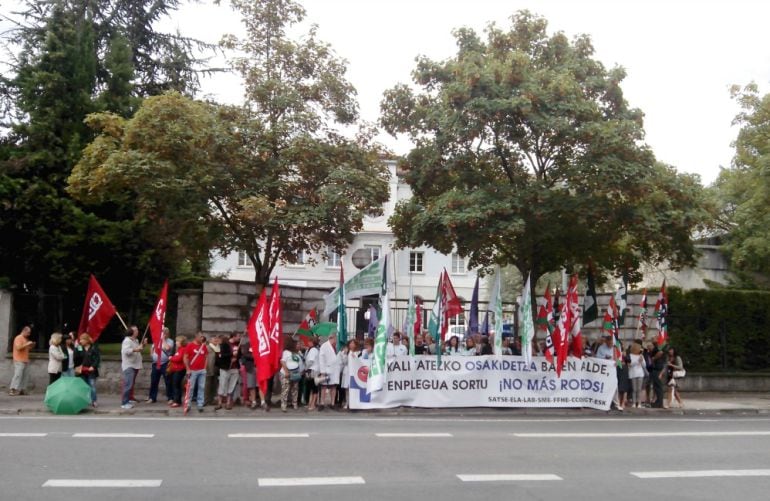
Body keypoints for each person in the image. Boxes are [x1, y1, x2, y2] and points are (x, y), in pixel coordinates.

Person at [146, 327, 175, 404]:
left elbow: (168, 348)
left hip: (165, 363)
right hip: (155, 364)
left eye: (164, 333)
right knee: (154, 381)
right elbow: (152, 348)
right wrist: (152, 355)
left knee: (168, 381)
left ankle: (170, 398)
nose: (162, 334)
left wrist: (163, 340)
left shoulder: (170, 341)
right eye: (162, 332)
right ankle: (152, 397)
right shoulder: (156, 340)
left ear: (167, 334)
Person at [120, 325, 146, 409]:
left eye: (137, 330)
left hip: (135, 364)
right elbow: (126, 351)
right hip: (129, 365)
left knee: (131, 383)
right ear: (132, 332)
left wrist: (143, 345)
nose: (137, 331)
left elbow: (139, 349)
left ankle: (129, 399)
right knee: (128, 384)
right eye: (136, 330)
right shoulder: (127, 341)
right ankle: (124, 403)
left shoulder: (136, 340)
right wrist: (136, 349)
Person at [184, 332, 208, 413]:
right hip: (192, 370)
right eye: (201, 337)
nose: (202, 338)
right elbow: (185, 357)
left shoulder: (203, 346)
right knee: (190, 387)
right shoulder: (190, 345)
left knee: (202, 387)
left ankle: (200, 404)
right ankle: (188, 404)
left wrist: (205, 367)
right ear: (196, 337)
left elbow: (206, 356)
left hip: (202, 370)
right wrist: (187, 368)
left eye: (202, 337)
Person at [74, 333, 100, 408]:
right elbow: (76, 358)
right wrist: (76, 348)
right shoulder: (79, 348)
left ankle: (94, 401)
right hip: (82, 370)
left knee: (92, 385)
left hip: (91, 370)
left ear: (87, 340)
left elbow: (97, 359)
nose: (81, 341)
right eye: (80, 339)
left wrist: (93, 366)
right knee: (83, 386)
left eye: (82, 339)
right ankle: (84, 400)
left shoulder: (93, 348)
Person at [9, 325, 35, 396]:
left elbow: (26, 349)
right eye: (28, 332)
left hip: (25, 359)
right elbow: (18, 348)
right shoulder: (18, 338)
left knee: (25, 376)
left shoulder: (25, 338)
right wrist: (27, 344)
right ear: (24, 331)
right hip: (18, 359)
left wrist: (31, 345)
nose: (29, 334)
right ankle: (13, 389)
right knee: (17, 375)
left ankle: (22, 390)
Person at [280, 337, 304, 412]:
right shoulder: (286, 352)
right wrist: (286, 371)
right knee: (285, 390)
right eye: (297, 344)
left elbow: (300, 363)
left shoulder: (298, 353)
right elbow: (283, 362)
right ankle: (284, 405)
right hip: (286, 374)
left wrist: (301, 371)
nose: (298, 345)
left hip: (296, 374)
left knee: (295, 389)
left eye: (299, 344)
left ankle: (294, 403)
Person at [318, 333, 339, 410]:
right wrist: (322, 371)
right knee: (323, 387)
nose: (336, 341)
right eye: (336, 339)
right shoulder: (324, 346)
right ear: (332, 338)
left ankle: (332, 403)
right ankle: (322, 403)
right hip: (326, 369)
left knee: (334, 386)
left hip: (335, 370)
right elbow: (321, 359)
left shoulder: (336, 346)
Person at [167, 335, 188, 408]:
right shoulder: (179, 349)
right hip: (176, 370)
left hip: (179, 370)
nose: (176, 342)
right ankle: (177, 400)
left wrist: (171, 358)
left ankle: (176, 401)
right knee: (176, 385)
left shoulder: (183, 349)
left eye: (177, 341)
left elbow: (179, 358)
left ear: (181, 342)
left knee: (176, 385)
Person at [239, 336, 259, 409]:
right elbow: (245, 354)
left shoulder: (261, 345)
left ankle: (261, 400)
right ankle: (253, 401)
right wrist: (255, 356)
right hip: (250, 367)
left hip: (259, 367)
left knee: (260, 385)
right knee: (251, 385)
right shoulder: (247, 344)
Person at [304, 336, 321, 411]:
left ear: (312, 342)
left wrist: (306, 368)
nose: (308, 343)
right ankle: (311, 403)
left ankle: (313, 404)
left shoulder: (313, 350)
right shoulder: (312, 350)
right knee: (312, 387)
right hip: (313, 370)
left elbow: (310, 361)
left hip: (313, 370)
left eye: (309, 341)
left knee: (313, 388)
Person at [628, 341, 646, 408]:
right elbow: (630, 365)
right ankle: (634, 402)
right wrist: (637, 361)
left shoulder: (641, 355)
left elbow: (644, 365)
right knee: (634, 389)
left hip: (640, 374)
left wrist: (641, 361)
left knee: (639, 389)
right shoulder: (630, 355)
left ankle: (639, 403)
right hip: (633, 374)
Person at [649, 342, 667, 408]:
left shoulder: (660, 350)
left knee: (659, 388)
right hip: (655, 370)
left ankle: (660, 403)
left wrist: (654, 358)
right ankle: (658, 402)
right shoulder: (654, 350)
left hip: (658, 370)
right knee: (656, 387)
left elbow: (660, 353)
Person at [205, 335, 221, 406]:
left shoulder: (218, 348)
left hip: (216, 368)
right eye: (214, 339)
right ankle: (205, 400)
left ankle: (211, 400)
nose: (216, 341)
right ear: (210, 341)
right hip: (209, 367)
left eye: (216, 339)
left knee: (214, 384)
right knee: (207, 384)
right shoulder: (208, 347)